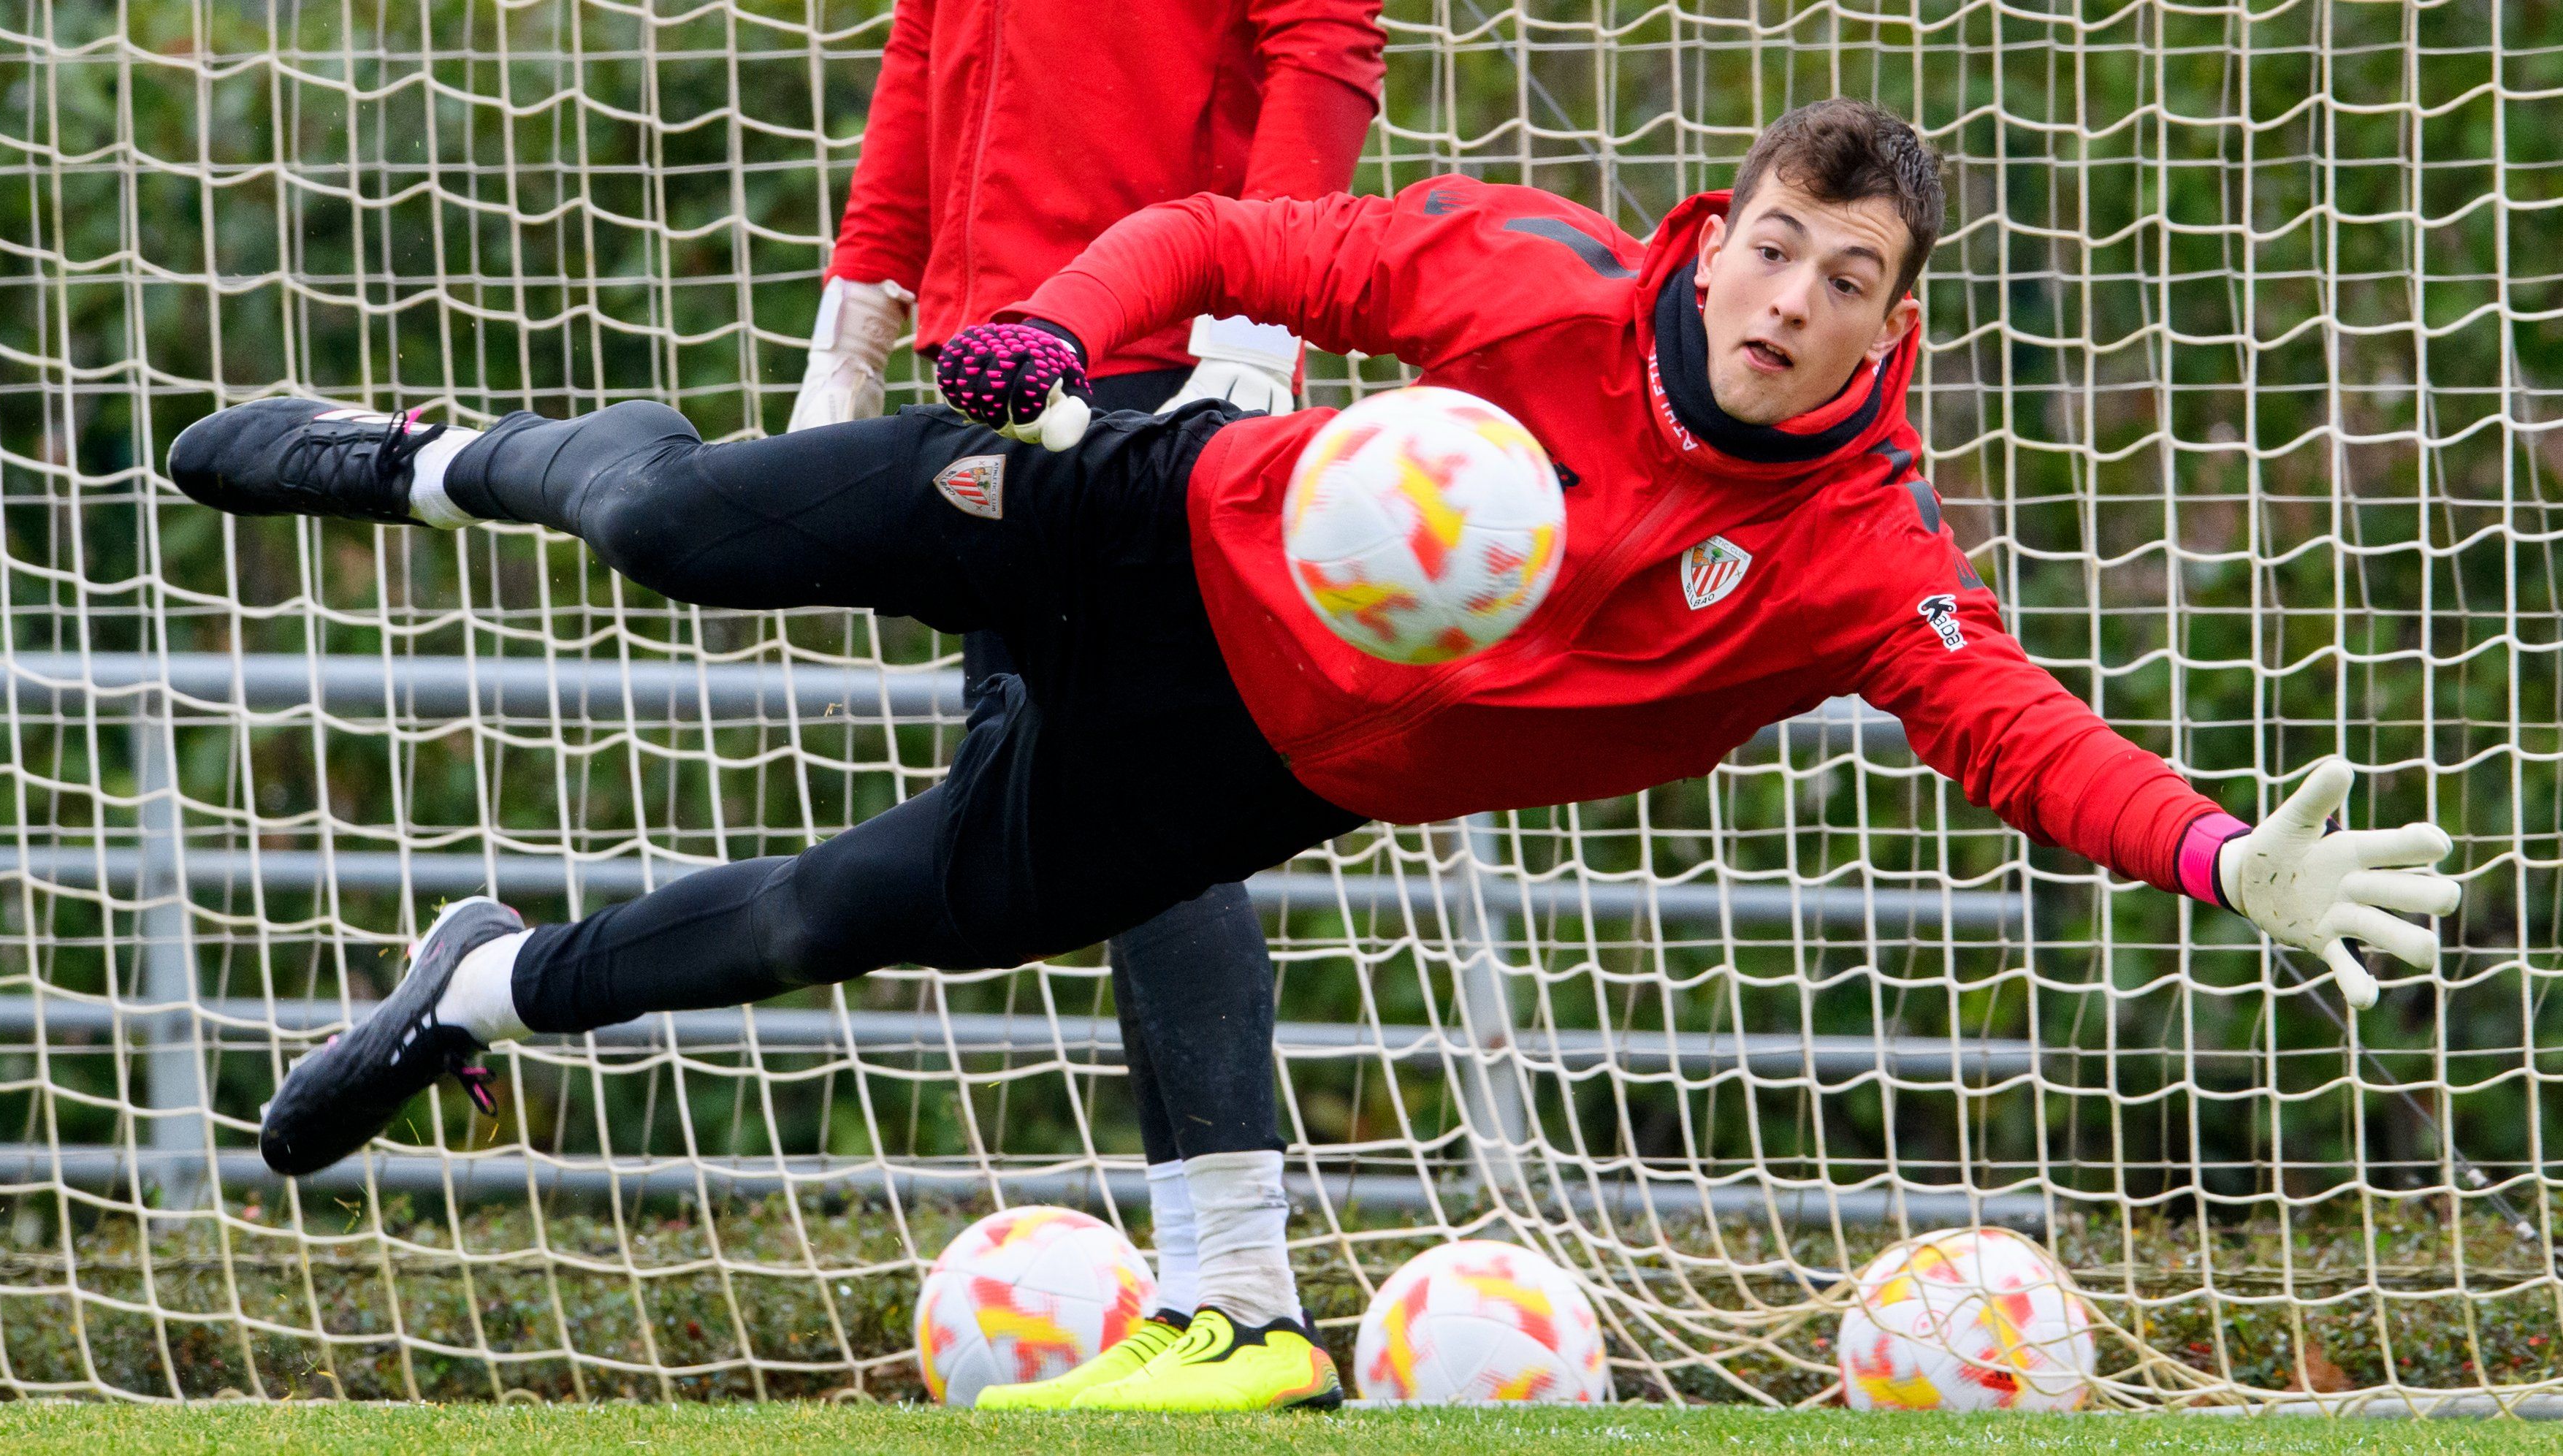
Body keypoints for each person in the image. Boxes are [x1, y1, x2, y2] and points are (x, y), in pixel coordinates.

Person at [166, 99, 2463, 1411]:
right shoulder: (1540, 277)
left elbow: (2011, 722)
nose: (1783, 299)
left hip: (1241, 773)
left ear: (1891, 318)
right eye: (1772, 245)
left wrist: (2216, 852)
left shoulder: (1858, 550)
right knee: (677, 521)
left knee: (826, 918)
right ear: (1723, 232)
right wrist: (1061, 333)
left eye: (1838, 278)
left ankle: (472, 986)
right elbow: (1226, 227)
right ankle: (425, 455)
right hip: (1127, 515)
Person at [775, 0, 1383, 1412]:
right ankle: (1206, 1293)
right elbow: (923, 51)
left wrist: (1250, 323)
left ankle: (1242, 1299)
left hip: (1157, 360)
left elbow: (1328, 39)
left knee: (1137, 804)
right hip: (994, 357)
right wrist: (851, 338)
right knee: (1095, 811)